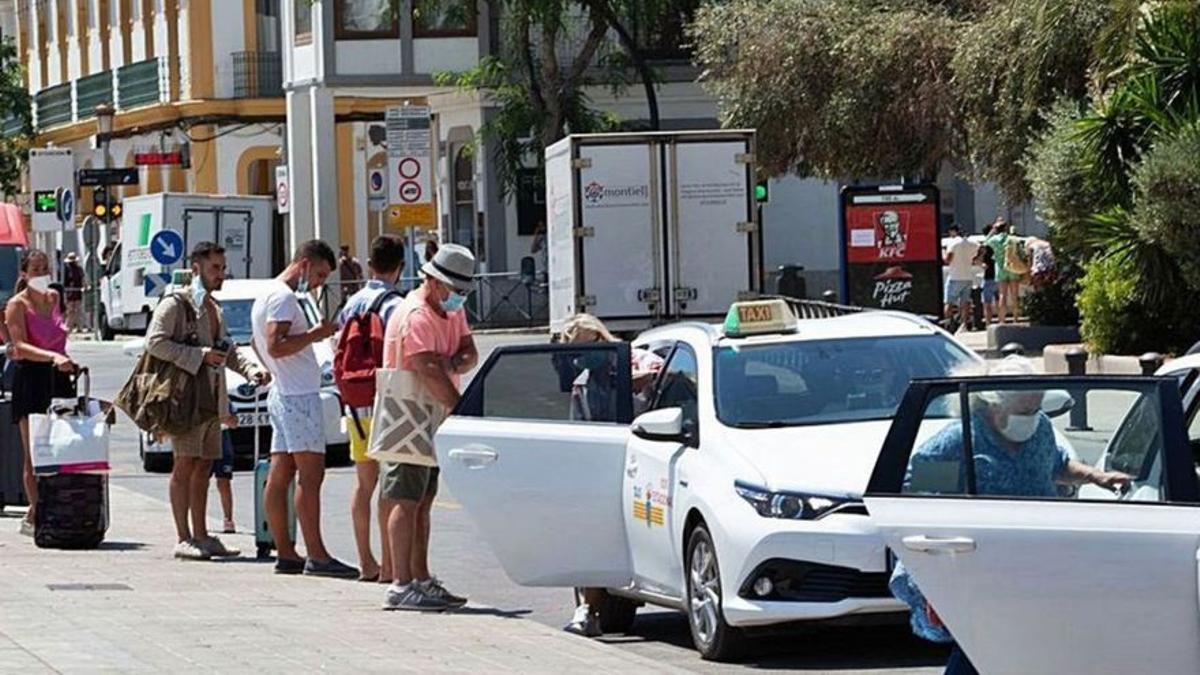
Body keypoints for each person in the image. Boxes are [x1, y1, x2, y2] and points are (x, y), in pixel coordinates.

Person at [891, 357, 1131, 674]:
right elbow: (918, 498)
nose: (1032, 419)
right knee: (982, 650)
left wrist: (1095, 476)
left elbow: (1057, 466)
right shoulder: (958, 441)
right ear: (994, 406)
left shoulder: (1040, 429)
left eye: (1036, 409)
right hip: (981, 567)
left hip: (1037, 564)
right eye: (1024, 412)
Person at [146, 242, 268, 560]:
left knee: (204, 466)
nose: (221, 274)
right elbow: (155, 343)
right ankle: (183, 537)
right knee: (184, 465)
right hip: (185, 398)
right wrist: (197, 355)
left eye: (223, 268)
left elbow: (226, 349)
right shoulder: (175, 304)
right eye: (215, 268)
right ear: (196, 268)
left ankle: (201, 535)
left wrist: (253, 369)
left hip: (212, 399)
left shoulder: (214, 308)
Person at [251, 240, 358, 578]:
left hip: (283, 393)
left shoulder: (266, 293)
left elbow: (258, 345)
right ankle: (317, 554)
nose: (318, 283)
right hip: (298, 395)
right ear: (306, 263)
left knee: (281, 474)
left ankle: (286, 551)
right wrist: (316, 334)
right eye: (320, 274)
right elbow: (275, 344)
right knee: (311, 477)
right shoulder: (283, 297)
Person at [380, 243, 477, 611]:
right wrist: (458, 405)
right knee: (405, 499)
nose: (460, 299)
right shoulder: (417, 314)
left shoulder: (450, 312)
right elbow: (426, 365)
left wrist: (453, 360)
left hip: (431, 415)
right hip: (409, 414)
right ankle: (402, 583)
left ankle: (420, 578)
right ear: (435, 281)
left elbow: (468, 351)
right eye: (456, 290)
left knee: (422, 501)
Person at [559, 314, 664, 637]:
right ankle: (589, 609)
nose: (581, 359)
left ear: (600, 338)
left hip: (651, 460)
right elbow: (581, 433)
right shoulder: (585, 382)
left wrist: (640, 381)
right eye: (574, 354)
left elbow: (667, 389)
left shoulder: (642, 361)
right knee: (593, 533)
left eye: (584, 348)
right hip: (608, 466)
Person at [335, 235, 407, 583]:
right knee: (390, 484)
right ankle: (391, 567)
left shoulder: (351, 305)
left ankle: (366, 561)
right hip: (385, 399)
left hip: (354, 403)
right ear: (400, 267)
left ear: (369, 265)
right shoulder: (394, 304)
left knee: (364, 484)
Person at [4, 250, 77, 537]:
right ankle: (37, 512)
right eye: (35, 269)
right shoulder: (16, 305)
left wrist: (65, 360)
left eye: (45, 268)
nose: (41, 273)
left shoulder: (53, 299)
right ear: (24, 274)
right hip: (32, 378)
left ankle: (51, 508)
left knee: (63, 447)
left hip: (59, 377)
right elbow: (19, 346)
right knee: (35, 451)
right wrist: (52, 357)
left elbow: (58, 337)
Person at [983, 219, 1025, 325]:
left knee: (1002, 295)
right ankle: (1016, 319)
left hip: (1001, 269)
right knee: (1014, 295)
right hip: (1013, 268)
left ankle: (1002, 320)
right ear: (1006, 228)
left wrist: (992, 229)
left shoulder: (994, 240)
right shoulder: (1012, 239)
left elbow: (985, 242)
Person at [942, 225, 978, 332]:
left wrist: (943, 252)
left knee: (949, 302)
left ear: (953, 232)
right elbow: (979, 249)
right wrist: (973, 259)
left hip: (954, 276)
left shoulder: (953, 243)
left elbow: (948, 260)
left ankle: (948, 324)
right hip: (967, 276)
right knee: (965, 302)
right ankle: (964, 325)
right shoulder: (971, 244)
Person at [214, 406, 237, 534]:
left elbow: (234, 422)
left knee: (224, 482)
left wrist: (225, 419)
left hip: (222, 440)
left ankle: (228, 519)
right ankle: (198, 520)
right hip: (205, 438)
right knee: (200, 482)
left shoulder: (224, 399)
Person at [972, 241, 998, 326]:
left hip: (988, 279)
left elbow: (975, 260)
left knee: (987, 303)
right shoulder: (997, 251)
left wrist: (981, 255)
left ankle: (988, 323)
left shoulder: (985, 254)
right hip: (998, 279)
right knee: (999, 301)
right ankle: (1001, 320)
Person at [62, 253, 87, 333]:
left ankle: (79, 326)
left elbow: (82, 278)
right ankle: (69, 326)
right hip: (70, 292)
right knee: (70, 310)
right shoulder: (67, 269)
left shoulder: (79, 269)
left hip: (77, 291)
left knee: (78, 310)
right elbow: (65, 281)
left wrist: (84, 286)